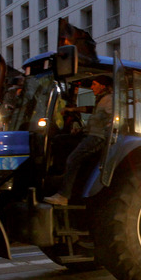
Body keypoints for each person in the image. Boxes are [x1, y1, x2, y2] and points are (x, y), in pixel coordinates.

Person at [44, 75, 113, 206]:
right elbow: (92, 111)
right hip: (90, 133)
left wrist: (109, 125)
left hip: (98, 138)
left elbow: (112, 116)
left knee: (73, 158)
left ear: (102, 86)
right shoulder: (102, 99)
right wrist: (79, 124)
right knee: (59, 140)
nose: (92, 87)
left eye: (94, 84)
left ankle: (63, 195)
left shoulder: (109, 99)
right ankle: (62, 174)